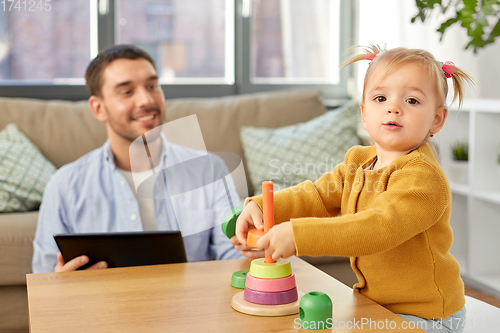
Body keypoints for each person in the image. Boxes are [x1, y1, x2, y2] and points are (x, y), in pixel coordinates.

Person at [232, 45, 474, 333]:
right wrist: (261, 206)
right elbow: (316, 195)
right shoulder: (357, 161)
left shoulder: (423, 178)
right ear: (364, 112)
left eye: (411, 100)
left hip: (427, 316)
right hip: (376, 306)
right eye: (380, 97)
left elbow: (377, 228)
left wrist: (298, 235)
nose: (393, 107)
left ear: (437, 119)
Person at [32, 44, 243, 273]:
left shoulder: (209, 170)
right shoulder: (64, 185)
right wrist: (63, 287)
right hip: (102, 308)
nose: (145, 100)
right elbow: (44, 279)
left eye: (152, 85)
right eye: (127, 91)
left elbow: (235, 257)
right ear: (98, 108)